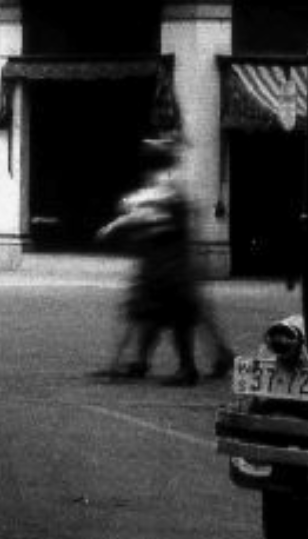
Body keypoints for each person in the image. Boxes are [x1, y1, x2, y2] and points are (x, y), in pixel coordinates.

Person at [96, 137, 230, 385]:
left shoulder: (164, 183)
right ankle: (143, 361)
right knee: (151, 312)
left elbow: (149, 212)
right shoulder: (163, 182)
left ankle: (187, 367)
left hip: (169, 263)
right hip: (162, 262)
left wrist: (115, 225)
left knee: (175, 313)